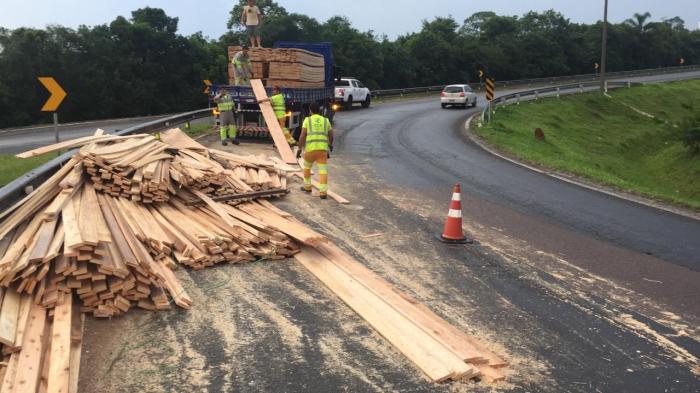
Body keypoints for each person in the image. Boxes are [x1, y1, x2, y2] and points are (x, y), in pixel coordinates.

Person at [297, 103, 334, 199]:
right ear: (320, 110)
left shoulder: (307, 120)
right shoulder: (326, 121)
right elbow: (331, 135)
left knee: (307, 167)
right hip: (322, 151)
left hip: (310, 150)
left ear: (310, 110)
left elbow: (302, 136)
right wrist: (330, 144)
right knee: (323, 171)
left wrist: (299, 148)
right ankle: (323, 192)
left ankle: (307, 187)